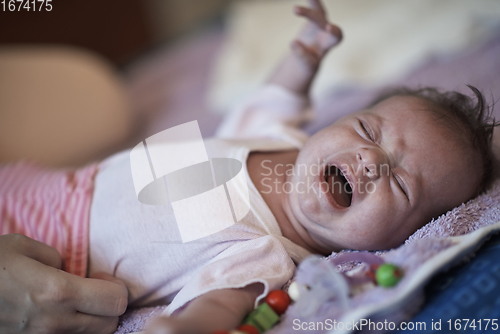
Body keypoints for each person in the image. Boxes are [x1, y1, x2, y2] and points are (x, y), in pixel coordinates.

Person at [0, 1, 496, 334]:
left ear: (400, 238)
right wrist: (304, 58)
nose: (370, 160)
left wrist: (184, 328)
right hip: (47, 180)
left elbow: (217, 306)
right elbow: (277, 97)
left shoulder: (264, 254)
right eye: (367, 131)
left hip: (48, 252)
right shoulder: (279, 139)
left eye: (401, 184)